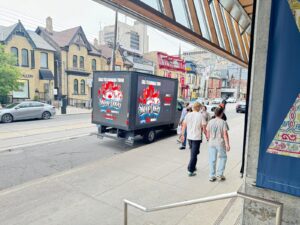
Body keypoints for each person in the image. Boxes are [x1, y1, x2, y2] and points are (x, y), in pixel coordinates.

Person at [181, 102, 207, 176]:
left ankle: (192, 165)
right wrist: (207, 136)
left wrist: (182, 134)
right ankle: (190, 170)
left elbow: (184, 125)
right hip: (196, 138)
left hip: (189, 137)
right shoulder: (201, 116)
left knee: (194, 152)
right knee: (194, 155)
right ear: (198, 108)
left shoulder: (188, 115)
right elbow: (204, 128)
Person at [206, 107, 230, 182]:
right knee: (223, 157)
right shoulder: (223, 122)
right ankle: (219, 174)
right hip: (220, 143)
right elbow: (225, 134)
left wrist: (209, 139)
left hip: (211, 142)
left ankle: (212, 176)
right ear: (221, 114)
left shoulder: (210, 122)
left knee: (212, 159)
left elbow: (207, 133)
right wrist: (227, 144)